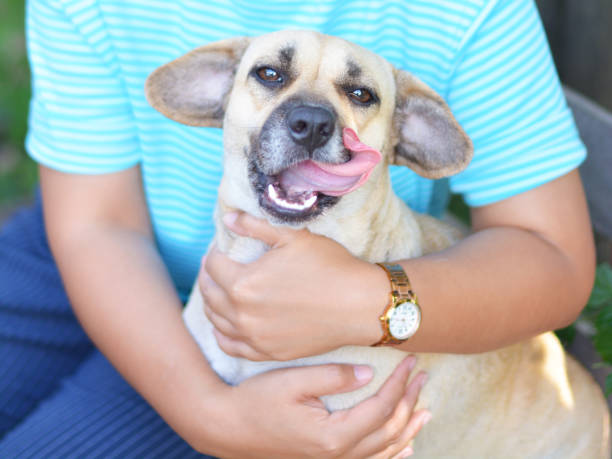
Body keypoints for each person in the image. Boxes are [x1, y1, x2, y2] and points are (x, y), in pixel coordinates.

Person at [0, 0, 595, 457]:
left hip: (386, 307)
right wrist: (209, 415)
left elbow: (554, 260)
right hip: (92, 247)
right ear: (220, 92)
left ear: (399, 137)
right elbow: (95, 228)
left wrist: (373, 301)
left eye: (357, 93)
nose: (311, 114)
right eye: (270, 78)